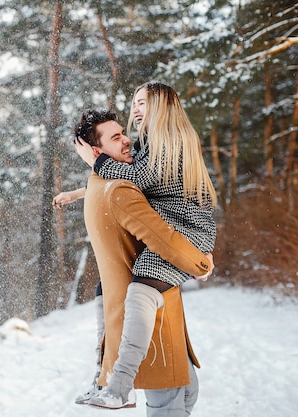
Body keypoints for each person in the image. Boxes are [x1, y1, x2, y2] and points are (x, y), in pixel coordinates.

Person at [74, 84, 217, 413]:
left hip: (186, 229)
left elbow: (135, 180)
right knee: (108, 286)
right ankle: (107, 377)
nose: (136, 109)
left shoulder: (171, 140)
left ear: (162, 107)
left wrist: (94, 162)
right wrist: (79, 192)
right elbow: (127, 182)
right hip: (175, 223)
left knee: (139, 289)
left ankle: (119, 386)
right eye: (134, 102)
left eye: (143, 103)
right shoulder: (149, 143)